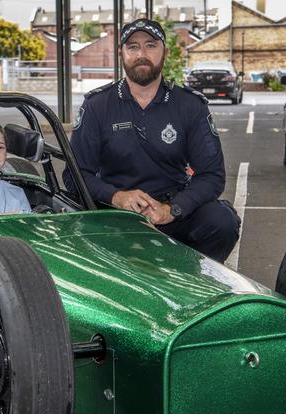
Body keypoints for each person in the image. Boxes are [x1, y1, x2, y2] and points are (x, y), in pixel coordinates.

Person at [65, 18, 240, 263]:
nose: (141, 54)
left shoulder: (189, 105)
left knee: (222, 220)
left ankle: (194, 281)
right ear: (121, 54)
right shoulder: (97, 106)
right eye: (133, 47)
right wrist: (117, 197)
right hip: (115, 215)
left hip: (172, 212)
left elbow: (212, 175)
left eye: (150, 45)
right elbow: (74, 175)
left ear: (164, 52)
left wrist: (173, 209)